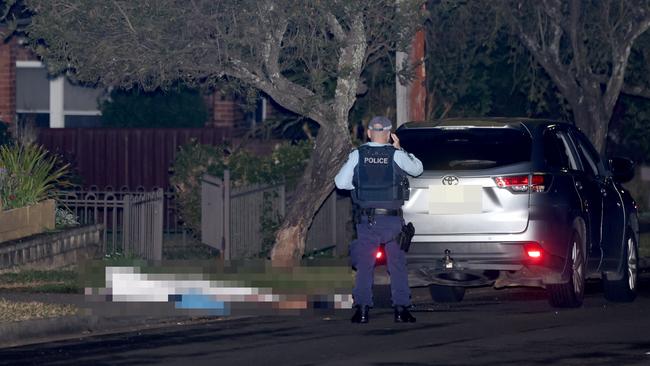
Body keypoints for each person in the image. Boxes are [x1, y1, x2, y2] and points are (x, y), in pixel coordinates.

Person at [335, 116, 423, 323]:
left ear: (368, 133)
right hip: (392, 221)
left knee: (365, 265)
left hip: (368, 220)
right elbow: (417, 169)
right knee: (397, 265)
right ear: (390, 134)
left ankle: (362, 310)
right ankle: (401, 310)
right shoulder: (396, 155)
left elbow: (340, 183)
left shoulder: (358, 154)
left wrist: (358, 187)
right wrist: (400, 148)